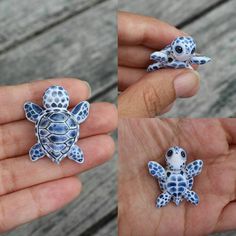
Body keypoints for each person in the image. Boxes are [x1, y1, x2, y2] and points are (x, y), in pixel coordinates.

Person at [0, 78, 117, 232]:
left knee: (38, 151)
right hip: (67, 146)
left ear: (46, 102)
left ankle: (42, 150)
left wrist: (31, 108)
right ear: (65, 102)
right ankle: (69, 151)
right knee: (76, 153)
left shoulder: (40, 115)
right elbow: (81, 111)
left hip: (44, 144)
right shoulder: (71, 116)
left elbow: (31, 110)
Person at [118, 118, 236, 235]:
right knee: (179, 190)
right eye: (170, 154)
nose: (175, 154)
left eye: (181, 154)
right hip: (181, 190)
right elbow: (191, 169)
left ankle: (172, 198)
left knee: (168, 189)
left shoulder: (169, 173)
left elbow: (160, 172)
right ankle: (180, 197)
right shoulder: (182, 172)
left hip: (172, 191)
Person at [118, 11, 200, 117]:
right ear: (174, 47)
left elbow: (194, 60)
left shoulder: (188, 60)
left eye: (191, 50)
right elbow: (155, 56)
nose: (185, 53)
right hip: (164, 64)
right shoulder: (166, 53)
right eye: (180, 49)